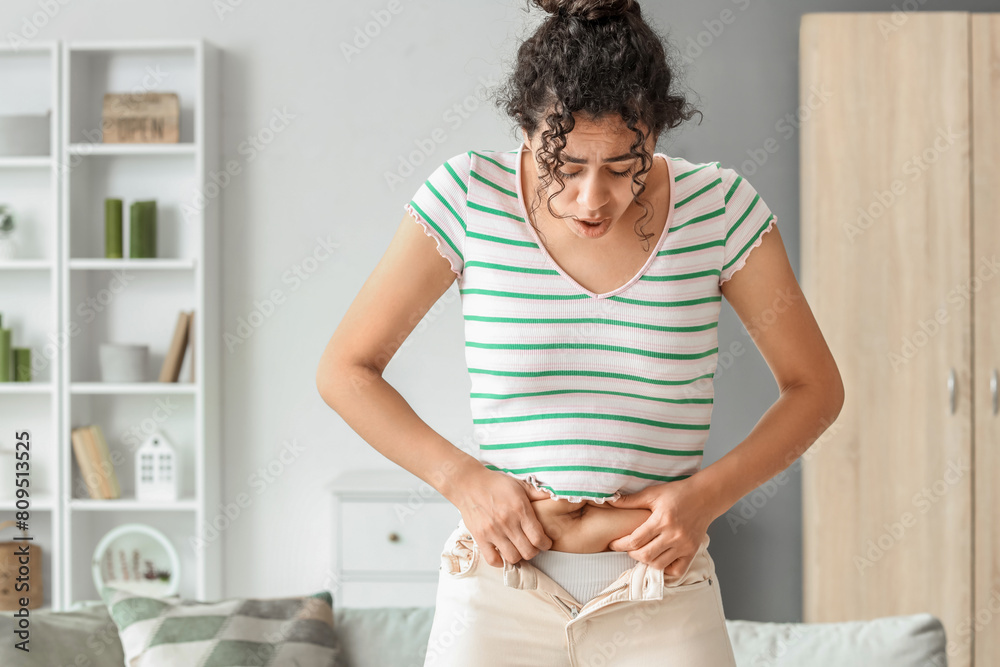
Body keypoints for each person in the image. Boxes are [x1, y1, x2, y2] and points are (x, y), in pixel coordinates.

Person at [316, 0, 845, 664]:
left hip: (661, 593)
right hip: (498, 590)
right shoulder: (468, 196)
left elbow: (815, 388)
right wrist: (461, 479)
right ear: (526, 130)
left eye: (626, 166)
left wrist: (707, 495)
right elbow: (346, 368)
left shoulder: (721, 210)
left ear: (657, 131)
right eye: (562, 164)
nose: (592, 198)